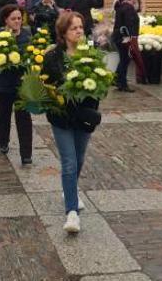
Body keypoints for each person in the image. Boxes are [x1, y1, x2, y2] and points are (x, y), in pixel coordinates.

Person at [42, 12, 101, 234]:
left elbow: (100, 85)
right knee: (69, 161)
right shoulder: (52, 56)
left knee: (79, 158)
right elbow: (46, 85)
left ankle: (70, 191)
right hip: (62, 117)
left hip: (84, 115)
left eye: (81, 27)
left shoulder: (92, 54)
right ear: (64, 32)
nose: (79, 31)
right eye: (74, 28)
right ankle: (72, 213)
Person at [0, 5, 32, 164]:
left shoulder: (27, 35)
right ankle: (3, 142)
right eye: (14, 18)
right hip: (2, 85)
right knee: (2, 118)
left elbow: (34, 55)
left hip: (22, 86)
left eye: (19, 18)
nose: (17, 21)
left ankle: (26, 154)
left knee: (24, 120)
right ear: (6, 20)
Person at [112, 0, 145, 92]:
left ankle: (118, 80)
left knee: (123, 59)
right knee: (125, 60)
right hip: (124, 38)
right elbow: (129, 25)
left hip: (119, 37)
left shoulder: (121, 6)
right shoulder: (129, 9)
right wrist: (130, 38)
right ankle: (123, 84)